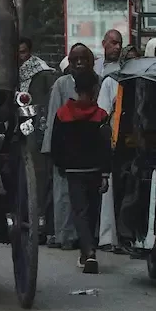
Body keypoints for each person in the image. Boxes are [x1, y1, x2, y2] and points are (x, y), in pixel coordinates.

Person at [51, 68, 112, 275]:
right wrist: (105, 173)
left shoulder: (63, 114)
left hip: (73, 170)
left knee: (79, 211)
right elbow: (106, 147)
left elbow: (56, 144)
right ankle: (89, 249)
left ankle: (88, 252)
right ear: (95, 90)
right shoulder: (101, 116)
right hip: (95, 170)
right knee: (93, 211)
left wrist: (60, 165)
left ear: (75, 89)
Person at [42, 44, 96, 250]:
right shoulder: (61, 84)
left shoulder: (98, 83)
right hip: (65, 150)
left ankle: (88, 238)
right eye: (76, 60)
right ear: (70, 63)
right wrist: (51, 151)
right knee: (63, 195)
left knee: (88, 199)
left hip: (90, 149)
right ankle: (65, 236)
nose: (80, 63)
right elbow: (53, 118)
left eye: (84, 59)